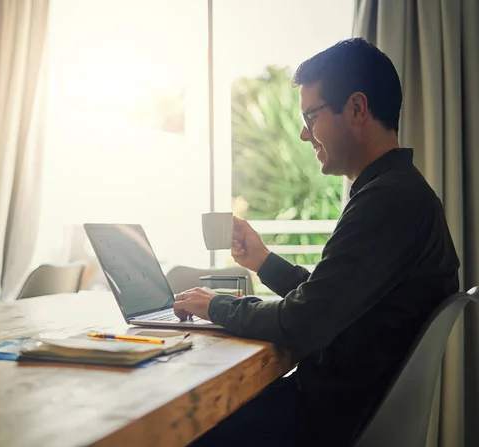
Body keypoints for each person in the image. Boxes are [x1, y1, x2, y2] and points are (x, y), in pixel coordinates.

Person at [174, 38, 460, 446]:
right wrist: (264, 261)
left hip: (326, 423)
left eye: (311, 116)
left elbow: (301, 323)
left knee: (187, 430)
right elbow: (330, 303)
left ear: (357, 109)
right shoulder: (397, 193)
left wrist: (216, 305)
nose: (306, 136)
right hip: (341, 410)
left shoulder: (388, 202)